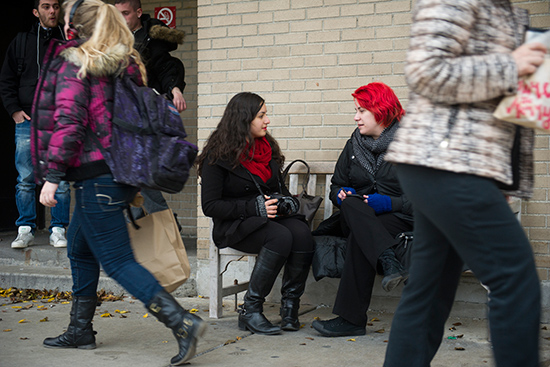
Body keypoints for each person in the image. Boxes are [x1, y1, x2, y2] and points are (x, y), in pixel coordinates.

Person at [32, 1, 205, 365]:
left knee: (118, 262)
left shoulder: (77, 65)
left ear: (74, 28)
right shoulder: (124, 64)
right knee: (80, 249)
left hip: (97, 179)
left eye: (65, 21)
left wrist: (51, 177)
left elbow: (70, 124)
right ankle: (80, 329)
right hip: (118, 175)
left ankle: (181, 322)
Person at [381, 1, 547, 366]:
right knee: (514, 278)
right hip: (444, 161)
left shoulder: (504, 8)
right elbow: (426, 71)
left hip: (456, 165)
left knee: (429, 293)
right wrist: (511, 64)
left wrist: (500, 179)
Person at [197, 92, 315, 335]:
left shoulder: (267, 148)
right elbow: (210, 206)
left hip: (268, 219)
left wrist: (286, 201)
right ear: (243, 119)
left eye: (266, 115)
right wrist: (252, 207)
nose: (267, 121)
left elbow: (275, 188)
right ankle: (251, 310)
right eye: (261, 116)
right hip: (234, 225)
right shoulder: (216, 156)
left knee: (302, 233)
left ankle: (290, 307)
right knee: (280, 237)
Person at [311, 82, 413, 337]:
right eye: (356, 110)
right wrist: (340, 194)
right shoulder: (354, 144)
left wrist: (391, 203)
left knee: (361, 234)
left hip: (398, 218)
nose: (356, 117)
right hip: (356, 213)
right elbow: (337, 185)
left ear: (380, 110)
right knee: (353, 204)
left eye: (362, 110)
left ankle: (351, 320)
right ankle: (389, 260)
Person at [0, 0, 70, 249]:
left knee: (60, 178)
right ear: (35, 11)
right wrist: (14, 111)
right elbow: (6, 79)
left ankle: (59, 229)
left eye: (55, 6)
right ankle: (25, 228)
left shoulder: (67, 39)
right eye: (46, 6)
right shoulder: (21, 41)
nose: (52, 11)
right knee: (26, 177)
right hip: (27, 120)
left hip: (59, 120)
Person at [114, 0, 186, 227]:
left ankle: (163, 226)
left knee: (141, 176)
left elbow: (167, 67)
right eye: (117, 14)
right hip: (121, 121)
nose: (121, 19)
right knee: (129, 179)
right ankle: (145, 230)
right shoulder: (112, 38)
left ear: (138, 12)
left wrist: (174, 89)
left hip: (146, 118)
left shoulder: (151, 38)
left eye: (125, 13)